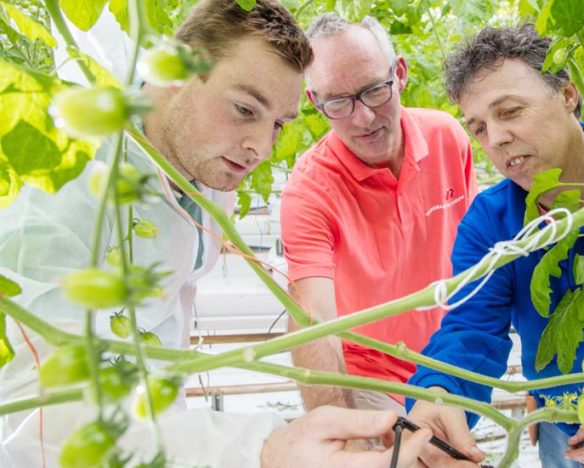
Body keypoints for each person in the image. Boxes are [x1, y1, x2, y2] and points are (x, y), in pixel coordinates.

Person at [0, 1, 429, 466]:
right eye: (245, 109)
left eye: (277, 125)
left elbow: (167, 319)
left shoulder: (206, 170)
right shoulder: (61, 187)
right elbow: (38, 423)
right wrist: (261, 450)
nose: (261, 148)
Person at [405, 25, 584, 467]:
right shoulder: (492, 224)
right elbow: (470, 328)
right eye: (479, 128)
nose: (496, 138)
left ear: (567, 94)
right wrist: (438, 393)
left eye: (510, 111)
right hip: (568, 433)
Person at [279, 13, 478, 417]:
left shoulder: (447, 138)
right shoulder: (309, 191)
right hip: (367, 379)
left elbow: (478, 257)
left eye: (374, 90)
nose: (363, 118)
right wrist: (338, 426)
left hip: (449, 365)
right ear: (315, 103)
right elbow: (312, 318)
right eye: (338, 102)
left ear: (399, 74)